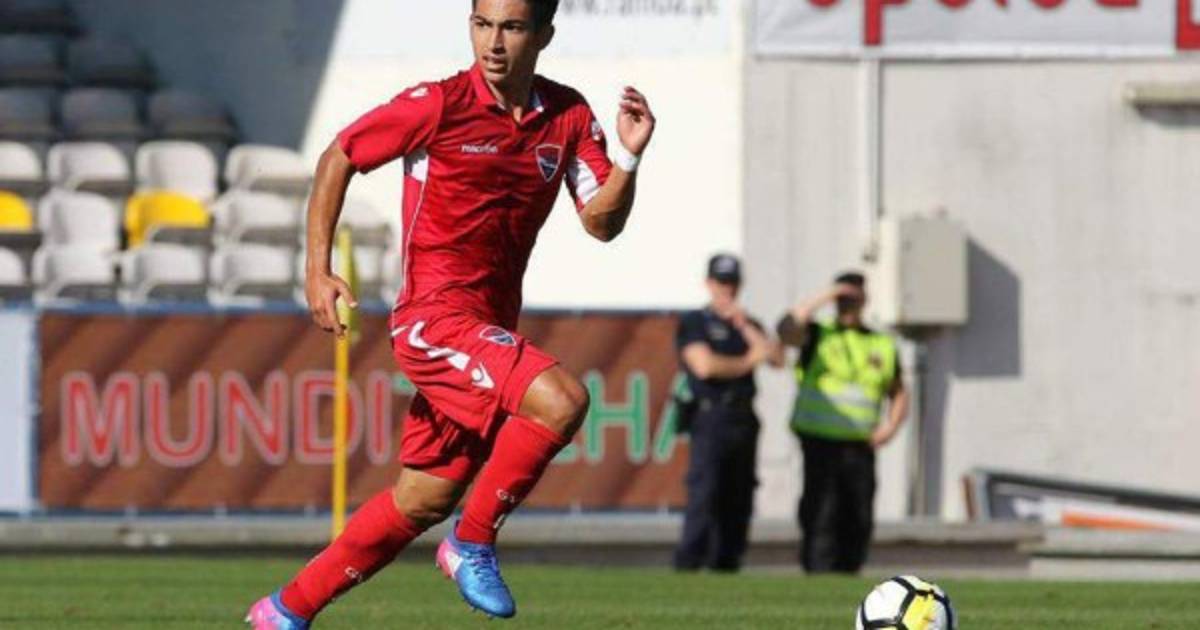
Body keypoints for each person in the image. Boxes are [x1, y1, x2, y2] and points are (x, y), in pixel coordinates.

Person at [245, 0, 656, 626]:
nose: (494, 43)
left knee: (423, 497)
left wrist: (627, 160)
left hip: (489, 327)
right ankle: (473, 542)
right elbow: (340, 154)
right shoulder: (437, 105)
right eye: (482, 25)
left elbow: (601, 222)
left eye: (512, 27)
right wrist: (316, 270)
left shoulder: (567, 116)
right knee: (562, 400)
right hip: (432, 320)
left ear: (543, 35)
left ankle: (284, 611)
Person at [776, 271, 909, 574]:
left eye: (853, 297)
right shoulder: (818, 335)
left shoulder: (881, 343)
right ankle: (818, 571)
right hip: (819, 440)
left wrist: (890, 427)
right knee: (822, 511)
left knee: (858, 514)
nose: (849, 303)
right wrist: (827, 295)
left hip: (860, 444)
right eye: (844, 298)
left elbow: (899, 390)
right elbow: (786, 330)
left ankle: (850, 572)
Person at [673, 254, 783, 572]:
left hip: (743, 417)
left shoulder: (747, 324)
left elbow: (776, 358)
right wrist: (749, 361)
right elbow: (705, 366)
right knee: (706, 490)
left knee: (740, 492)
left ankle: (728, 561)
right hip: (711, 416)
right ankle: (690, 561)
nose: (727, 290)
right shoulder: (696, 322)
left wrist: (745, 326)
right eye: (721, 283)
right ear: (709, 284)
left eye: (732, 283)